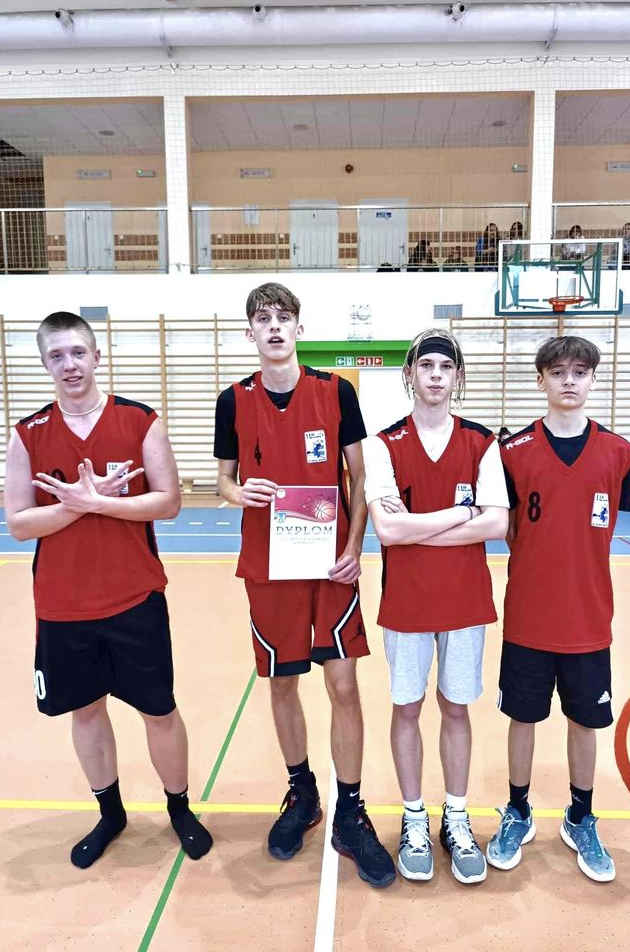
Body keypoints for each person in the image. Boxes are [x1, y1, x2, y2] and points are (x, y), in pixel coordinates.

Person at [4, 311, 212, 869]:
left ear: (97, 356)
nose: (69, 364)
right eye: (56, 355)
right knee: (87, 711)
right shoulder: (28, 434)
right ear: (44, 363)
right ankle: (111, 813)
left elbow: (168, 502)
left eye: (78, 352)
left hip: (134, 598)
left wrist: (94, 502)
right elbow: (19, 523)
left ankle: (179, 808)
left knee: (159, 710)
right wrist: (78, 506)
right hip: (62, 605)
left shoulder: (140, 422)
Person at [214, 282, 395, 888]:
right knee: (283, 682)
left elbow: (360, 476)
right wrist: (240, 492)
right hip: (269, 566)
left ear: (298, 328)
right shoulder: (232, 400)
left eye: (283, 317)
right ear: (250, 332)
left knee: (343, 683)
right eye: (262, 318)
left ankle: (351, 809)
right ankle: (303, 794)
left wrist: (353, 549)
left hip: (329, 564)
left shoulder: (336, 392)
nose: (274, 327)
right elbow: (223, 482)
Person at [487, 335, 630, 883]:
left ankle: (579, 816)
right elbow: (506, 528)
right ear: (541, 380)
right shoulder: (513, 452)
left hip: (589, 617)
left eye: (579, 371)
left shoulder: (617, 452)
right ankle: (518, 810)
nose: (569, 381)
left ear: (593, 378)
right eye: (557, 372)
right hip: (529, 615)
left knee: (585, 720)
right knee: (522, 717)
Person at [363, 328, 508, 884]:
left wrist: (418, 527)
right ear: (410, 374)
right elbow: (387, 531)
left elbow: (497, 524)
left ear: (458, 377)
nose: (436, 375)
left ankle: (456, 815)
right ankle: (414, 818)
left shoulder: (481, 442)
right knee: (406, 708)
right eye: (426, 365)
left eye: (446, 367)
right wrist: (463, 512)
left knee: (456, 709)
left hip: (465, 601)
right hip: (406, 602)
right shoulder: (384, 444)